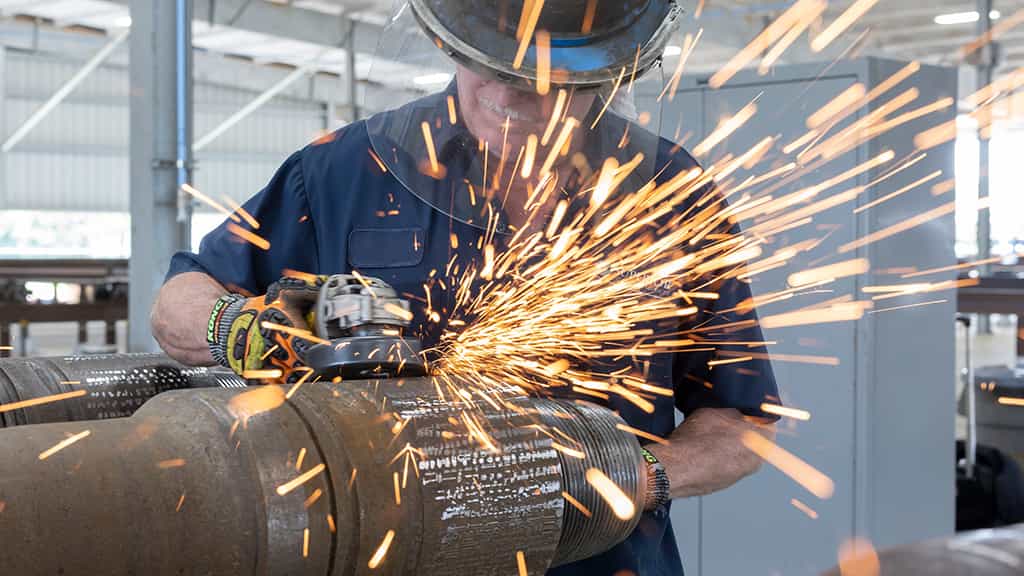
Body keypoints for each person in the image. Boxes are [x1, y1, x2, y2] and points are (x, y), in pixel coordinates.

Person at [152, 1, 779, 574]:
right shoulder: (346, 168)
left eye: (542, 81)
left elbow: (740, 420)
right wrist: (246, 325)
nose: (508, 94)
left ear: (606, 71)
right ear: (452, 40)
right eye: (489, 63)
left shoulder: (668, 191)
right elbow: (179, 304)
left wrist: (635, 478)